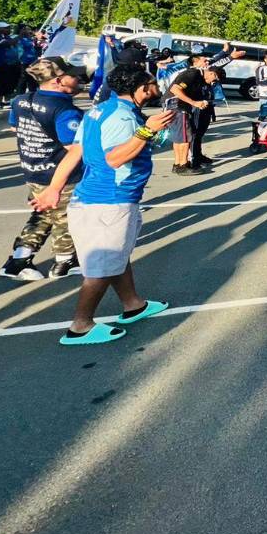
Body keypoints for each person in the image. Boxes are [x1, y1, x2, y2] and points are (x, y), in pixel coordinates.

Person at [31, 64, 175, 345]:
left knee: (116, 255)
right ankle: (80, 325)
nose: (156, 87)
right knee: (101, 270)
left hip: (95, 199)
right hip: (109, 201)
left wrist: (54, 189)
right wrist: (146, 131)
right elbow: (115, 158)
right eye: (152, 82)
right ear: (142, 87)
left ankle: (133, 304)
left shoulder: (101, 110)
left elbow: (76, 152)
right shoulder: (123, 117)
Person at [0, 57, 86, 281]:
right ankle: (65, 260)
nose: (78, 79)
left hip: (33, 169)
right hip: (60, 173)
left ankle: (19, 258)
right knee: (65, 215)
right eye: (73, 75)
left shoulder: (21, 100)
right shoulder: (64, 110)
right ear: (58, 81)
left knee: (43, 213)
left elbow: (14, 126)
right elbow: (74, 149)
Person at [165, 64, 219, 175]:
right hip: (178, 107)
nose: (214, 82)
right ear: (212, 73)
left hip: (175, 106)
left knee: (179, 138)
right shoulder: (193, 74)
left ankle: (177, 164)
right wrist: (194, 103)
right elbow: (175, 89)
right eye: (215, 78)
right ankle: (183, 165)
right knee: (186, 138)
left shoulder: (199, 77)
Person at [0, 21, 22, 108]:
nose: (9, 29)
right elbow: (7, 44)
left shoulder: (8, 37)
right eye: (6, 28)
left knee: (10, 82)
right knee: (2, 82)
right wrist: (20, 35)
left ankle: (7, 100)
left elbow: (13, 43)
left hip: (12, 63)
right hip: (1, 64)